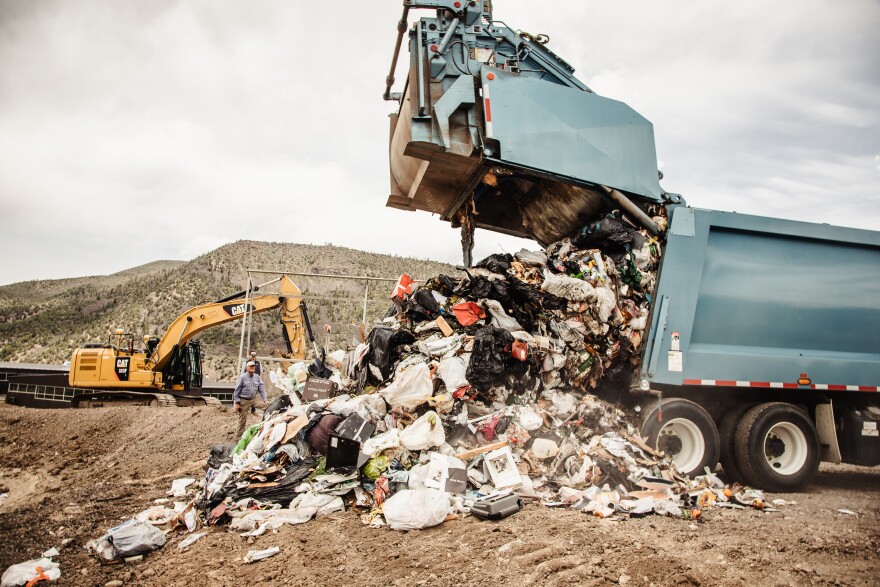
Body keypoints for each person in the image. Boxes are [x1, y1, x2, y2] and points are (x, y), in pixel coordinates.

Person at [233, 360, 267, 438]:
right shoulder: (242, 377)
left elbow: (262, 388)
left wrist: (265, 399)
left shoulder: (257, 377)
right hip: (244, 401)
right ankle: (239, 438)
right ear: (247, 368)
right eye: (251, 366)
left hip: (253, 400)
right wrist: (237, 403)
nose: (252, 368)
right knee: (242, 420)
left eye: (253, 366)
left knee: (267, 407)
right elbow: (237, 390)